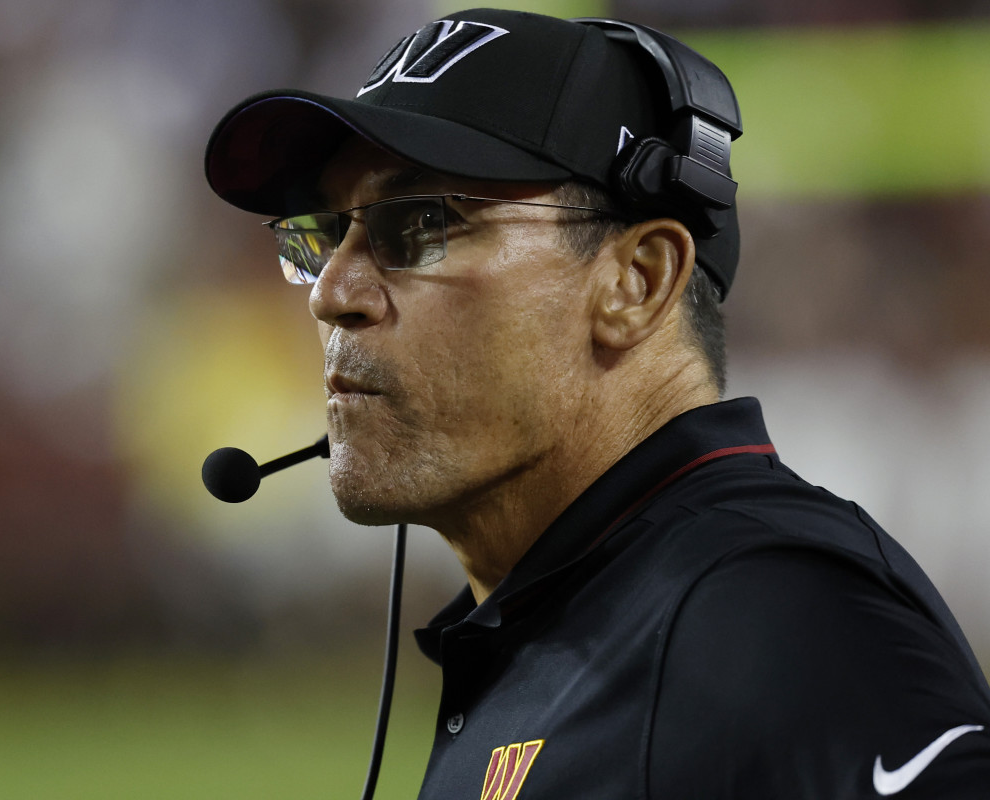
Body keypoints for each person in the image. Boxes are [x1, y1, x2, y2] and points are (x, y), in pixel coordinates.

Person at [203, 8, 990, 798]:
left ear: (636, 281)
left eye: (419, 224)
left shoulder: (766, 613)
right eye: (323, 233)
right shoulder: (567, 616)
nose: (332, 292)